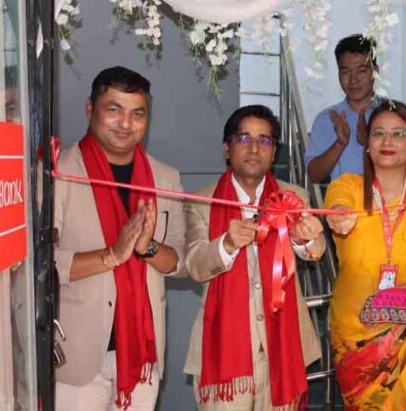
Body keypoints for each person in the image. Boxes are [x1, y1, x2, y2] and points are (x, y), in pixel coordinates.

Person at [54, 66, 185, 410]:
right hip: (76, 357)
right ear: (90, 109)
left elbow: (180, 262)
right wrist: (111, 255)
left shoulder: (165, 178)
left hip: (142, 354)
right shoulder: (58, 172)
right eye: (114, 109)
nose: (125, 123)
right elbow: (37, 266)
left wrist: (148, 248)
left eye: (137, 113)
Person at [183, 105, 325, 410]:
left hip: (283, 348)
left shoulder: (294, 196)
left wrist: (305, 237)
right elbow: (194, 265)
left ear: (274, 152)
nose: (253, 148)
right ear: (226, 148)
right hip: (223, 352)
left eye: (264, 140)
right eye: (244, 138)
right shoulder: (201, 201)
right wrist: (227, 243)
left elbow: (315, 251)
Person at [325, 100, 406, 410]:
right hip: (358, 340)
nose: (387, 141)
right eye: (378, 133)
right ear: (367, 144)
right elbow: (337, 204)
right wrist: (339, 214)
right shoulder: (348, 187)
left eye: (398, 134)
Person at [305, 34, 380, 183]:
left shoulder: (393, 114)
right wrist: (340, 143)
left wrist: (369, 143)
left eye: (361, 71)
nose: (353, 80)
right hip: (341, 197)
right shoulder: (327, 119)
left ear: (375, 71)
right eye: (345, 72)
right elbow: (314, 175)